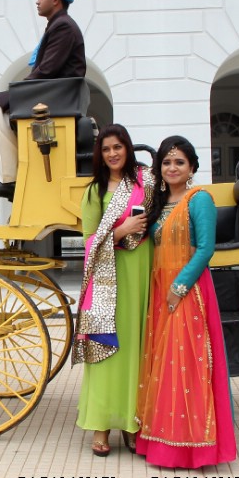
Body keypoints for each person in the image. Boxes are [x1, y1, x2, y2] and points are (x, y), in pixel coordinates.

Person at [134, 136, 237, 469]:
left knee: (187, 364)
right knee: (165, 364)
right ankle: (163, 442)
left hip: (187, 290)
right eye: (166, 162)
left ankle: (192, 448)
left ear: (192, 167)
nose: (172, 168)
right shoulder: (158, 204)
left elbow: (206, 249)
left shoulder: (199, 199)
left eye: (179, 162)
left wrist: (179, 287)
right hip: (161, 288)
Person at [0, 0, 96, 200]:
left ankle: (11, 178)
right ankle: (18, 170)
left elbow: (47, 70)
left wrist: (16, 90)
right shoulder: (60, 25)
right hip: (56, 94)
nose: (37, 0)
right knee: (0, 105)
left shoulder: (62, 27)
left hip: (56, 96)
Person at [75, 125, 153, 457]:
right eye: (106, 149)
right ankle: (100, 425)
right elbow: (88, 243)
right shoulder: (94, 192)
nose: (112, 154)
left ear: (127, 148)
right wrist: (120, 231)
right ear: (100, 154)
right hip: (107, 279)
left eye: (118, 147)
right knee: (108, 349)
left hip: (140, 271)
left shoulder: (145, 183)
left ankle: (132, 424)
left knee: (137, 347)